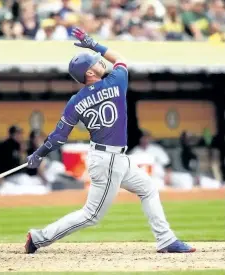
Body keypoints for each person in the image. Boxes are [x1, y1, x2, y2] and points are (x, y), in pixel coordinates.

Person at [25, 27, 196, 254]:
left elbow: (58, 138)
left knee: (148, 189)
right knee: (91, 215)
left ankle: (166, 240)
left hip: (111, 157)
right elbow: (120, 59)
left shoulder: (76, 101)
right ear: (89, 73)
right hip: (108, 161)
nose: (99, 62)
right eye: (94, 62)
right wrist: (93, 44)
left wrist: (38, 154)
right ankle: (38, 238)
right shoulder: (116, 81)